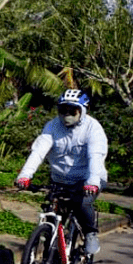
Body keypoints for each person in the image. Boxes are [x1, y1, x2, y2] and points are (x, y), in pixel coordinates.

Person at [14, 89, 108, 255]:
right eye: (62, 110)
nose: (66, 115)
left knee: (83, 204)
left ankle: (90, 234)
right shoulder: (52, 126)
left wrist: (92, 182)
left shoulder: (93, 129)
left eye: (72, 111)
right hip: (60, 179)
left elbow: (95, 157)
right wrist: (25, 176)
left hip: (88, 179)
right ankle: (52, 251)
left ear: (82, 111)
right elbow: (38, 152)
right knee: (51, 212)